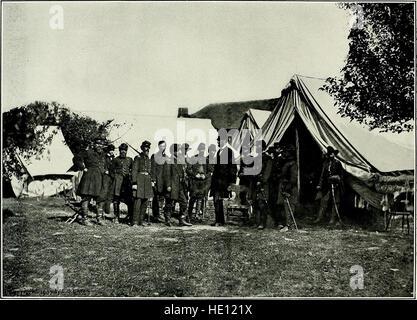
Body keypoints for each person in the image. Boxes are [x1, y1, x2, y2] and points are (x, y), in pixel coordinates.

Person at [75, 138, 107, 226]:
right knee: (86, 197)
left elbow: (105, 165)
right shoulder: (88, 152)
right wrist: (83, 168)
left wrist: (105, 171)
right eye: (97, 144)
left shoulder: (103, 155)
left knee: (100, 198)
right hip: (89, 178)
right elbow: (76, 159)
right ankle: (84, 219)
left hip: (99, 178)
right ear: (94, 144)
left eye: (101, 144)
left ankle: (99, 219)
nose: (99, 146)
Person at [210, 136, 237, 226]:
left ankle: (220, 221)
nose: (218, 142)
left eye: (219, 140)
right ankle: (219, 220)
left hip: (223, 182)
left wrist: (231, 183)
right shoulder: (219, 152)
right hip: (216, 182)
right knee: (216, 201)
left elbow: (233, 168)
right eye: (217, 140)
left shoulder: (229, 152)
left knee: (219, 200)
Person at [164, 144, 192, 227]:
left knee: (184, 202)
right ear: (174, 151)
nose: (180, 152)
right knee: (169, 203)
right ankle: (167, 220)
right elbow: (167, 174)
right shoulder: (169, 160)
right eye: (178, 150)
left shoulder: (179, 160)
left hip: (179, 186)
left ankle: (182, 219)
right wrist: (168, 185)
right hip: (172, 185)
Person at [314, 146, 344, 225]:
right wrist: (320, 184)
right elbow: (322, 175)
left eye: (332, 154)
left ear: (334, 154)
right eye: (329, 154)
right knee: (324, 200)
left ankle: (333, 219)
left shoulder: (338, 163)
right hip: (326, 185)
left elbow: (341, 175)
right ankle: (319, 217)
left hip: (336, 185)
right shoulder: (325, 163)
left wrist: (336, 178)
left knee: (335, 201)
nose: (330, 155)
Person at [131, 141, 154, 226]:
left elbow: (151, 171)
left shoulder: (148, 159)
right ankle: (135, 222)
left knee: (145, 201)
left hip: (147, 180)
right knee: (138, 201)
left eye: (148, 148)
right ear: (142, 148)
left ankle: (141, 221)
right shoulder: (137, 158)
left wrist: (152, 181)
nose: (147, 149)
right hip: (139, 180)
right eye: (145, 148)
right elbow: (134, 170)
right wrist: (134, 183)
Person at [187, 143, 211, 222]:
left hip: (202, 182)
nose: (202, 151)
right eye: (200, 149)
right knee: (193, 198)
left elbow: (210, 171)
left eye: (203, 150)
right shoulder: (193, 158)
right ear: (198, 150)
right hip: (195, 182)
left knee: (200, 199)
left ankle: (197, 215)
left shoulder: (207, 160)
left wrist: (205, 176)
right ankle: (189, 215)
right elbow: (188, 169)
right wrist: (195, 175)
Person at [276, 145, 298, 232]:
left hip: (290, 188)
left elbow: (293, 179)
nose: (284, 154)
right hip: (285, 186)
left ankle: (289, 225)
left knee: (290, 206)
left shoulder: (292, 164)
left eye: (286, 153)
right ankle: (288, 224)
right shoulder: (286, 163)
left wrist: (287, 189)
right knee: (286, 206)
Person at [110, 143, 133, 223]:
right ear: (119, 151)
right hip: (118, 183)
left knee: (130, 200)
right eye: (121, 150)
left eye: (125, 150)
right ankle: (116, 217)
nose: (123, 152)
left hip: (126, 183)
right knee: (116, 200)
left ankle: (130, 216)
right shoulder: (115, 160)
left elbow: (133, 170)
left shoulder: (130, 160)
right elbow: (111, 171)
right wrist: (116, 176)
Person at [252, 141, 273, 230]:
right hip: (255, 183)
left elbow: (267, 173)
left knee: (262, 203)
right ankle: (256, 222)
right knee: (255, 203)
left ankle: (262, 223)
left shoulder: (268, 159)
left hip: (264, 185)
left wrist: (261, 181)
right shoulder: (256, 158)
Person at [151, 140, 168, 222]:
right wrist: (153, 180)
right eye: (161, 146)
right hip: (157, 180)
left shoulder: (166, 157)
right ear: (158, 147)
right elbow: (153, 169)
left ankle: (160, 214)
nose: (162, 148)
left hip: (164, 181)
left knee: (162, 197)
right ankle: (156, 215)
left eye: (164, 146)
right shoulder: (154, 156)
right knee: (156, 198)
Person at [102, 144, 115, 215]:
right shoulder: (104, 157)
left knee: (110, 193)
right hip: (106, 176)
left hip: (111, 177)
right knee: (104, 191)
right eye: (111, 150)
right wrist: (105, 171)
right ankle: (102, 209)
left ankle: (107, 209)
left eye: (113, 150)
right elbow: (102, 165)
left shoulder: (114, 158)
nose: (112, 151)